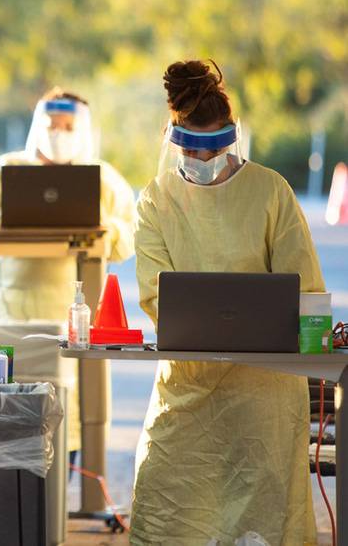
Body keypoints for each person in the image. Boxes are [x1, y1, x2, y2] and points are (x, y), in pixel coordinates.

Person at [131, 60, 325, 544]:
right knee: (170, 515)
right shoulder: (156, 200)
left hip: (265, 397)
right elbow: (159, 297)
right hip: (188, 390)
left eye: (217, 147)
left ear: (233, 138)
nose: (206, 158)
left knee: (264, 522)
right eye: (194, 150)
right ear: (173, 141)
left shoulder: (270, 190)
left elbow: (303, 289)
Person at [0, 88, 137, 457]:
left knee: (74, 417)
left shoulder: (103, 179)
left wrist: (96, 227)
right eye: (51, 124)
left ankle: (72, 500)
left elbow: (128, 235)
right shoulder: (3, 171)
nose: (58, 132)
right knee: (17, 417)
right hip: (15, 318)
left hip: (78, 322)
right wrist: (9, 223)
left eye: (68, 125)